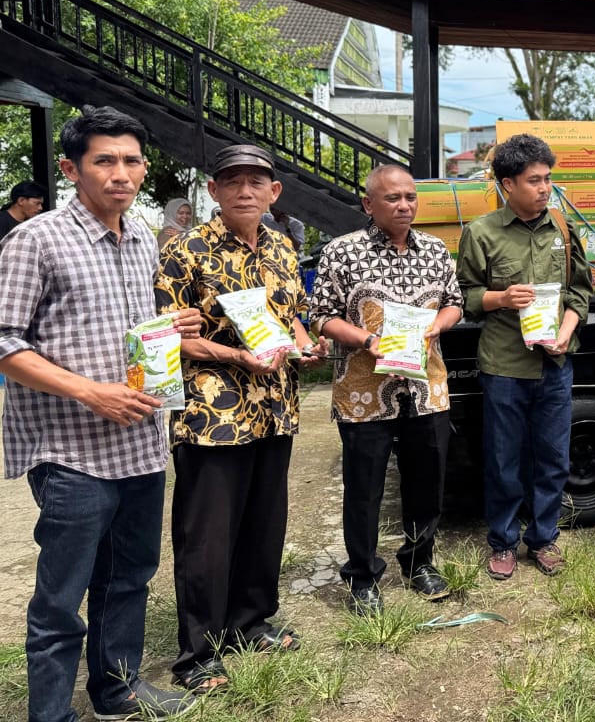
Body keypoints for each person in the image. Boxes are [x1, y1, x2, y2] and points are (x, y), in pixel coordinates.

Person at [0, 108, 200, 722]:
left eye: (131, 160)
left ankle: (117, 689)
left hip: (140, 441)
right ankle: (51, 714)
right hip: (70, 449)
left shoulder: (143, 237)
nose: (122, 173)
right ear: (70, 169)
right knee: (62, 596)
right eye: (104, 160)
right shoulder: (35, 239)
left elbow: (130, 327)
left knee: (130, 575)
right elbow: (4, 339)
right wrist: (92, 392)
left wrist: (174, 330)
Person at [156, 143, 328, 692]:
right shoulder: (186, 250)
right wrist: (235, 355)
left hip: (275, 406)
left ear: (274, 192)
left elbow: (292, 318)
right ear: (214, 190)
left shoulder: (281, 244)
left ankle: (249, 622)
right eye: (233, 181)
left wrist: (307, 345)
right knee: (207, 534)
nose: (245, 190)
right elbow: (169, 337)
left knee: (263, 521)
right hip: (214, 410)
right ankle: (198, 653)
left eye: (257, 181)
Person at [310, 164, 464, 613]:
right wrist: (365, 340)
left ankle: (420, 562)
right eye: (393, 198)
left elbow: (455, 303)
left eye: (410, 197)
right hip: (364, 392)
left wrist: (437, 324)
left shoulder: (436, 249)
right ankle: (362, 575)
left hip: (426, 388)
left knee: (426, 481)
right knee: (365, 489)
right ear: (368, 204)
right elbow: (320, 315)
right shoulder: (342, 252)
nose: (404, 205)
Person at [456, 134, 592, 580]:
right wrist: (501, 298)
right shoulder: (480, 233)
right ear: (507, 184)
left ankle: (544, 537)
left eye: (548, 179)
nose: (544, 188)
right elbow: (465, 297)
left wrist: (565, 335)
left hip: (554, 363)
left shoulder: (564, 231)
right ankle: (502, 541)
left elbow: (581, 294)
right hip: (505, 367)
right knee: (503, 459)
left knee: (553, 458)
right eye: (534, 180)